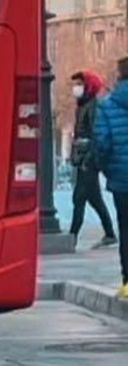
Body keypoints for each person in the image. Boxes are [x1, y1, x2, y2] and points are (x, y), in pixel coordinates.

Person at [92, 57, 128, 299]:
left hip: (121, 178)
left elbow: (102, 144)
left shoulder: (107, 105)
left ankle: (127, 282)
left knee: (125, 228)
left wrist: (105, 168)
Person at [69, 70, 116, 248]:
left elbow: (96, 134)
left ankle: (72, 236)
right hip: (84, 158)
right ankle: (110, 233)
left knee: (79, 196)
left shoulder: (92, 106)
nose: (76, 88)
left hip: (88, 160)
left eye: (80, 84)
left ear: (88, 86)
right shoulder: (83, 105)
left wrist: (89, 158)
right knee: (94, 198)